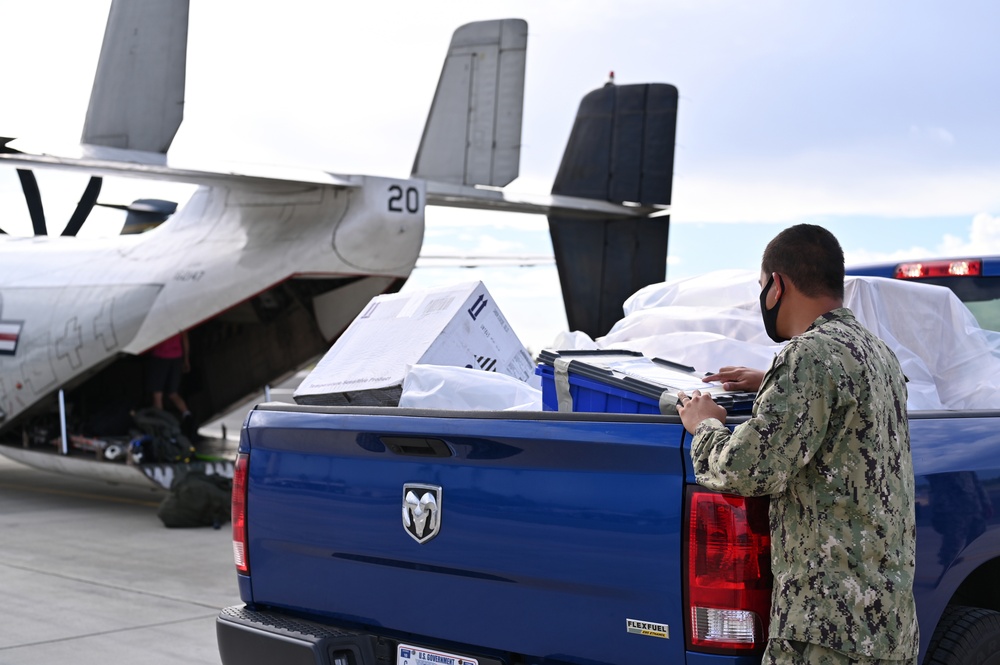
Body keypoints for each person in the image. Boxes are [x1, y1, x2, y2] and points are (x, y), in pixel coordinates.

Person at [677, 224, 918, 665]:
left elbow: (742, 469)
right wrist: (770, 381)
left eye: (761, 285)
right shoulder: (876, 352)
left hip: (827, 631)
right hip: (886, 627)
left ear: (777, 285)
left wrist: (705, 424)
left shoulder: (808, 356)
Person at [146, 331, 192, 424]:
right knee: (173, 393)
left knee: (157, 395)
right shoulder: (180, 319)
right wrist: (186, 359)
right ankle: (188, 416)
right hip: (176, 357)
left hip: (160, 356)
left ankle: (161, 423)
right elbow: (185, 339)